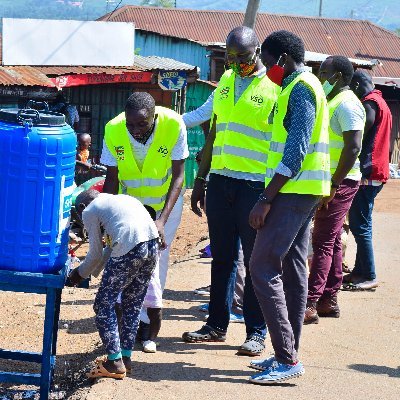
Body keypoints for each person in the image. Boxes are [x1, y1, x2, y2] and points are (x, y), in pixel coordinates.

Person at [182, 26, 281, 356]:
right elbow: (203, 121)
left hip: (254, 187)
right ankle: (216, 325)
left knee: (254, 262)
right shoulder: (224, 82)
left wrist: (270, 196)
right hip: (220, 183)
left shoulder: (275, 87)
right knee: (222, 258)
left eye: (242, 56)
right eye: (230, 57)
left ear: (256, 52)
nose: (236, 63)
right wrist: (200, 180)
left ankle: (256, 332)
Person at [247, 30, 330, 383]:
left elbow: (295, 152)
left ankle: (286, 359)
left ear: (281, 58)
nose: (266, 69)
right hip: (302, 191)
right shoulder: (297, 85)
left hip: (292, 192)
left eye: (267, 61)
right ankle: (288, 352)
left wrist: (266, 198)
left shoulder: (300, 87)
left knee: (262, 266)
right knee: (294, 269)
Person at [100, 92, 188, 353]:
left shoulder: (173, 124)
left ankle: (147, 326)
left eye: (142, 124)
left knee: (155, 261)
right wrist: (108, 216)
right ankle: (127, 322)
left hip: (164, 204)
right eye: (131, 124)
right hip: (131, 207)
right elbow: (112, 178)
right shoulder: (114, 129)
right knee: (124, 258)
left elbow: (179, 176)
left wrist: (161, 221)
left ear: (154, 117)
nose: (135, 130)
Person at [68, 190, 159, 379]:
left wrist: (76, 276)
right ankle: (125, 359)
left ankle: (114, 362)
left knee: (102, 304)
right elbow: (108, 250)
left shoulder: (89, 211)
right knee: (132, 305)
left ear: (82, 206)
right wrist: (93, 272)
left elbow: (94, 253)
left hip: (131, 247)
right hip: (152, 246)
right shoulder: (120, 200)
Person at [304, 56, 365, 324]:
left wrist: (334, 184)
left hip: (341, 182)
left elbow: (353, 147)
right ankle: (329, 298)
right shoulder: (333, 101)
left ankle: (311, 302)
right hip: (328, 181)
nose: (321, 77)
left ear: (339, 76)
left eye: (324, 72)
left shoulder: (349, 105)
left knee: (323, 242)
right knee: (331, 239)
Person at [343, 70, 392, 290]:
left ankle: (369, 274)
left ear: (360, 84)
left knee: (360, 225)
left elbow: (362, 130)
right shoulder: (381, 101)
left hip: (367, 171)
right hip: (375, 171)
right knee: (360, 223)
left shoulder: (370, 103)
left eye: (354, 87)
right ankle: (359, 271)